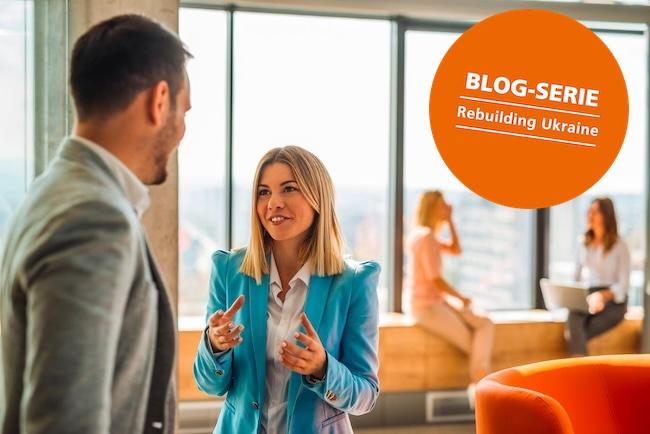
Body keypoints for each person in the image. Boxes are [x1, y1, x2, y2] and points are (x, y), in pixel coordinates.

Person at [0, 15, 191, 434]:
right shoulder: (95, 217)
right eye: (184, 110)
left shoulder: (53, 190)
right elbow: (65, 419)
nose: (182, 131)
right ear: (159, 101)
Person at [193, 146, 380, 433]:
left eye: (289, 189)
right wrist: (214, 346)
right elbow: (209, 384)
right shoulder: (229, 270)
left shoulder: (354, 282)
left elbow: (366, 395)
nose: (274, 203)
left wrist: (324, 369)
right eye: (264, 192)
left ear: (317, 197)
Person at [406, 190, 494, 404]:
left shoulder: (425, 236)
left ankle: (479, 385)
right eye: (443, 205)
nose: (448, 207)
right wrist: (461, 298)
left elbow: (456, 249)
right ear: (433, 208)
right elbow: (435, 279)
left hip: (437, 301)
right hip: (426, 306)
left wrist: (450, 221)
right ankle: (481, 388)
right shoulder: (426, 237)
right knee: (474, 344)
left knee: (485, 324)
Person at [565, 197, 630, 356]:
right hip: (588, 295)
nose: (590, 215)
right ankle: (583, 367)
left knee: (576, 333)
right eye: (589, 211)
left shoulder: (620, 245)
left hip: (614, 300)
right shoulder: (582, 243)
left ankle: (579, 365)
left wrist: (602, 296)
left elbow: (623, 286)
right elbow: (576, 279)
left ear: (606, 216)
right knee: (574, 316)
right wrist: (572, 297)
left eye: (595, 212)